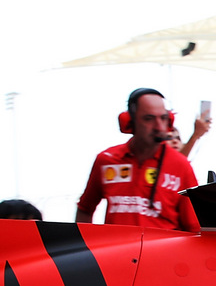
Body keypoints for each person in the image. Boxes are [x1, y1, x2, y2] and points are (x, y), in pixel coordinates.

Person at [76, 88, 200, 231]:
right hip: (118, 252)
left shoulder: (181, 166)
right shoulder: (106, 160)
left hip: (161, 253)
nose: (159, 126)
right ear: (130, 121)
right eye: (149, 119)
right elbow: (85, 209)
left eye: (163, 118)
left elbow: (195, 227)